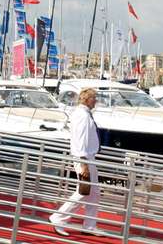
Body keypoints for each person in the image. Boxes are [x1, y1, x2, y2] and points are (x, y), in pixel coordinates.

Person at [49, 88, 100, 236]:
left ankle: (89, 226)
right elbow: (81, 140)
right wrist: (83, 163)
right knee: (84, 190)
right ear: (86, 99)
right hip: (83, 158)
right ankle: (58, 217)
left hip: (88, 157)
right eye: (93, 98)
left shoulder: (84, 114)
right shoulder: (82, 115)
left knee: (94, 192)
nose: (95, 100)